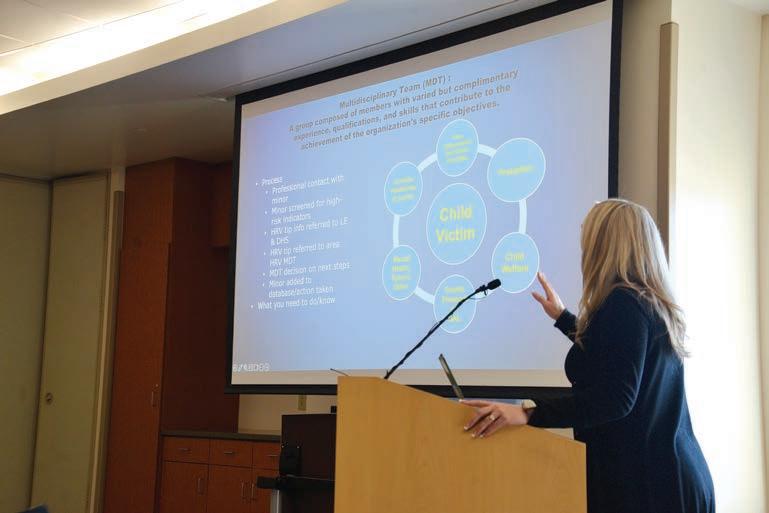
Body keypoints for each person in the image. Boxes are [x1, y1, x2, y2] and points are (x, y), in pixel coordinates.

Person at [462, 199, 714, 513]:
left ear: (606, 245)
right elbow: (613, 355)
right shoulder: (646, 302)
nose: (584, 249)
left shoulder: (624, 303)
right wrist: (563, 318)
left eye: (589, 239)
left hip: (650, 487)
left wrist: (528, 413)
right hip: (669, 478)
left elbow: (615, 398)